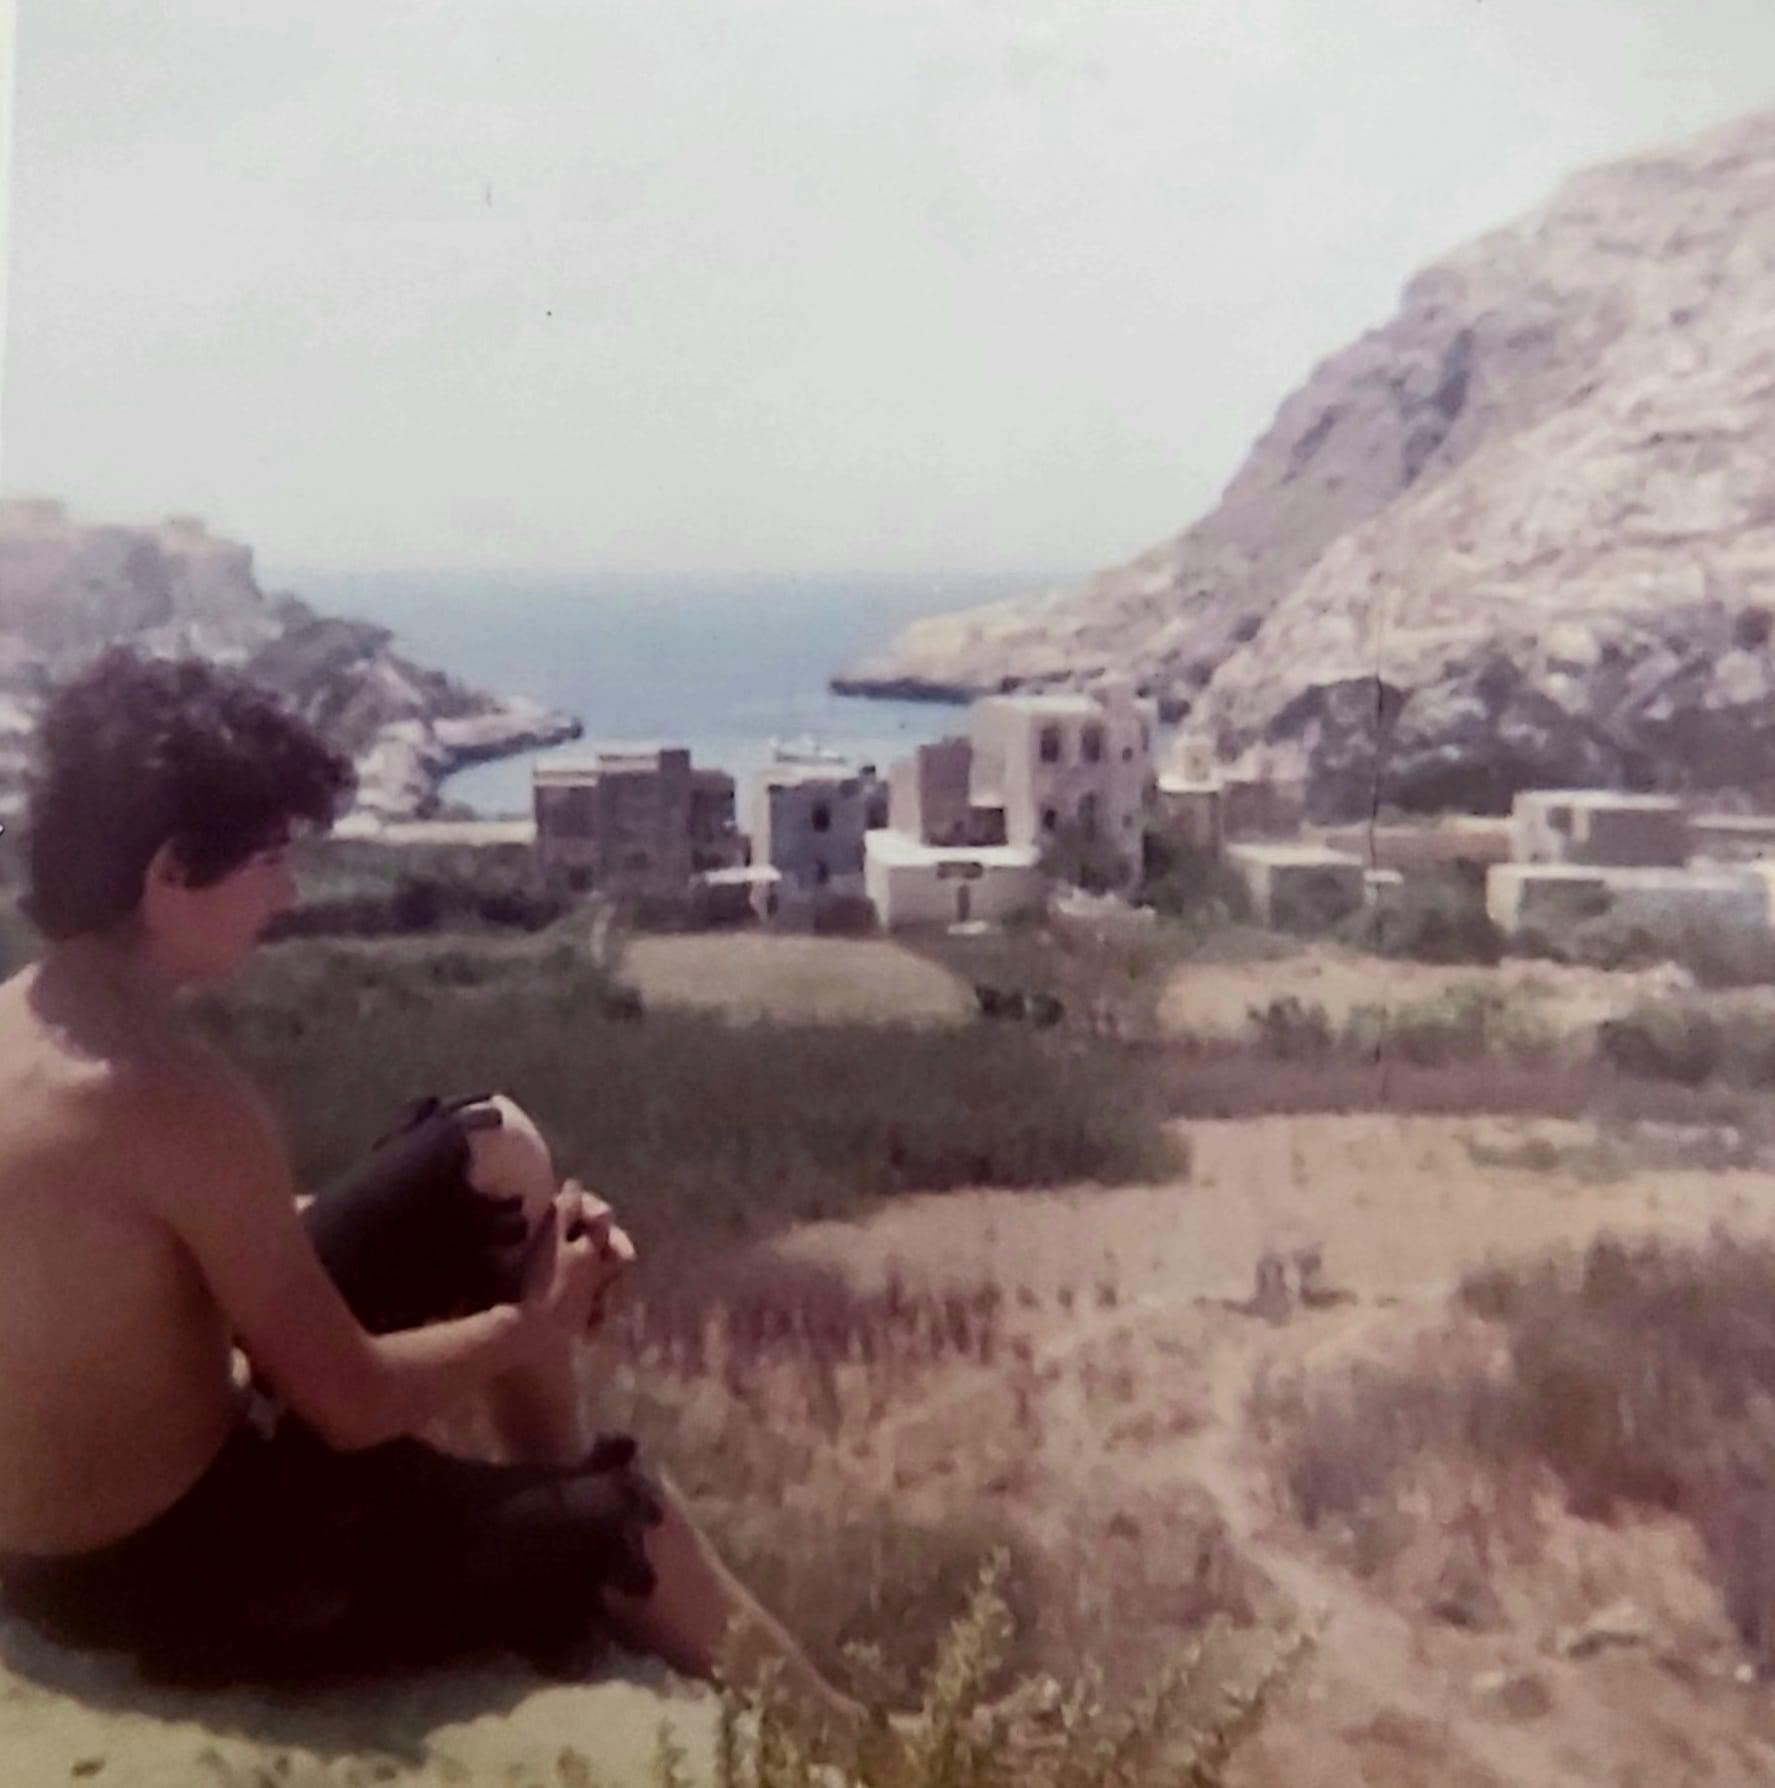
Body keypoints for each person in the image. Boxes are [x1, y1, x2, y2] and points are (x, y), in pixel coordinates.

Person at [0, 650, 872, 1755]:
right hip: (173, 1574)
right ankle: (869, 1753)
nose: (288, 893)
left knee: (489, 1152)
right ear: (171, 871)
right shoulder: (170, 1098)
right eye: (268, 860)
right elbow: (350, 1405)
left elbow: (143, 1249)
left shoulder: (25, 1027)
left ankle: (543, 1482)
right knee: (629, 1522)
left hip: (75, 1523)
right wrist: (535, 1321)